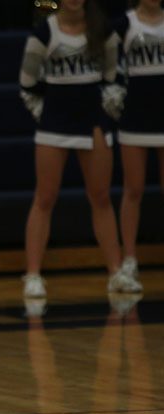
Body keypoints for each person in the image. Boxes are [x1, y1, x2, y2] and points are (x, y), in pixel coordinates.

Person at [20, 0, 137, 299]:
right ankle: (32, 275)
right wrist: (46, 113)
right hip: (54, 124)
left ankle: (115, 273)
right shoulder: (43, 32)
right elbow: (27, 81)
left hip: (93, 123)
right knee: (44, 198)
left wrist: (105, 113)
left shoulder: (103, 30)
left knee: (100, 197)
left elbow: (115, 76)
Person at [112, 0, 164, 292]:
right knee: (133, 189)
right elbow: (109, 65)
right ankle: (129, 258)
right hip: (135, 118)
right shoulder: (124, 25)